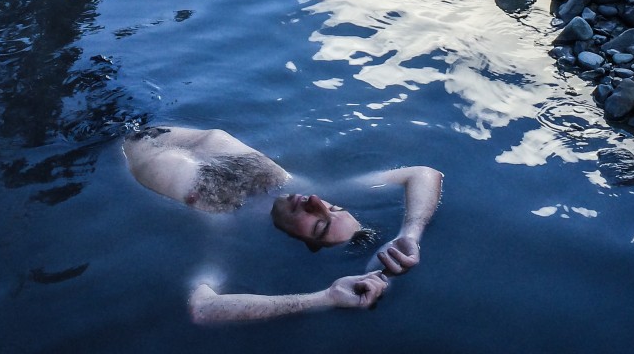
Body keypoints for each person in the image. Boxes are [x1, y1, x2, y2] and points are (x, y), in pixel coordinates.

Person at [123, 125, 442, 324]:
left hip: (99, 147)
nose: (316, 201)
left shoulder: (222, 232)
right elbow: (423, 173)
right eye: (333, 206)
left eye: (318, 226)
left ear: (291, 241)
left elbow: (203, 308)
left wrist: (325, 298)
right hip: (138, 117)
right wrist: (410, 233)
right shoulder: (298, 184)